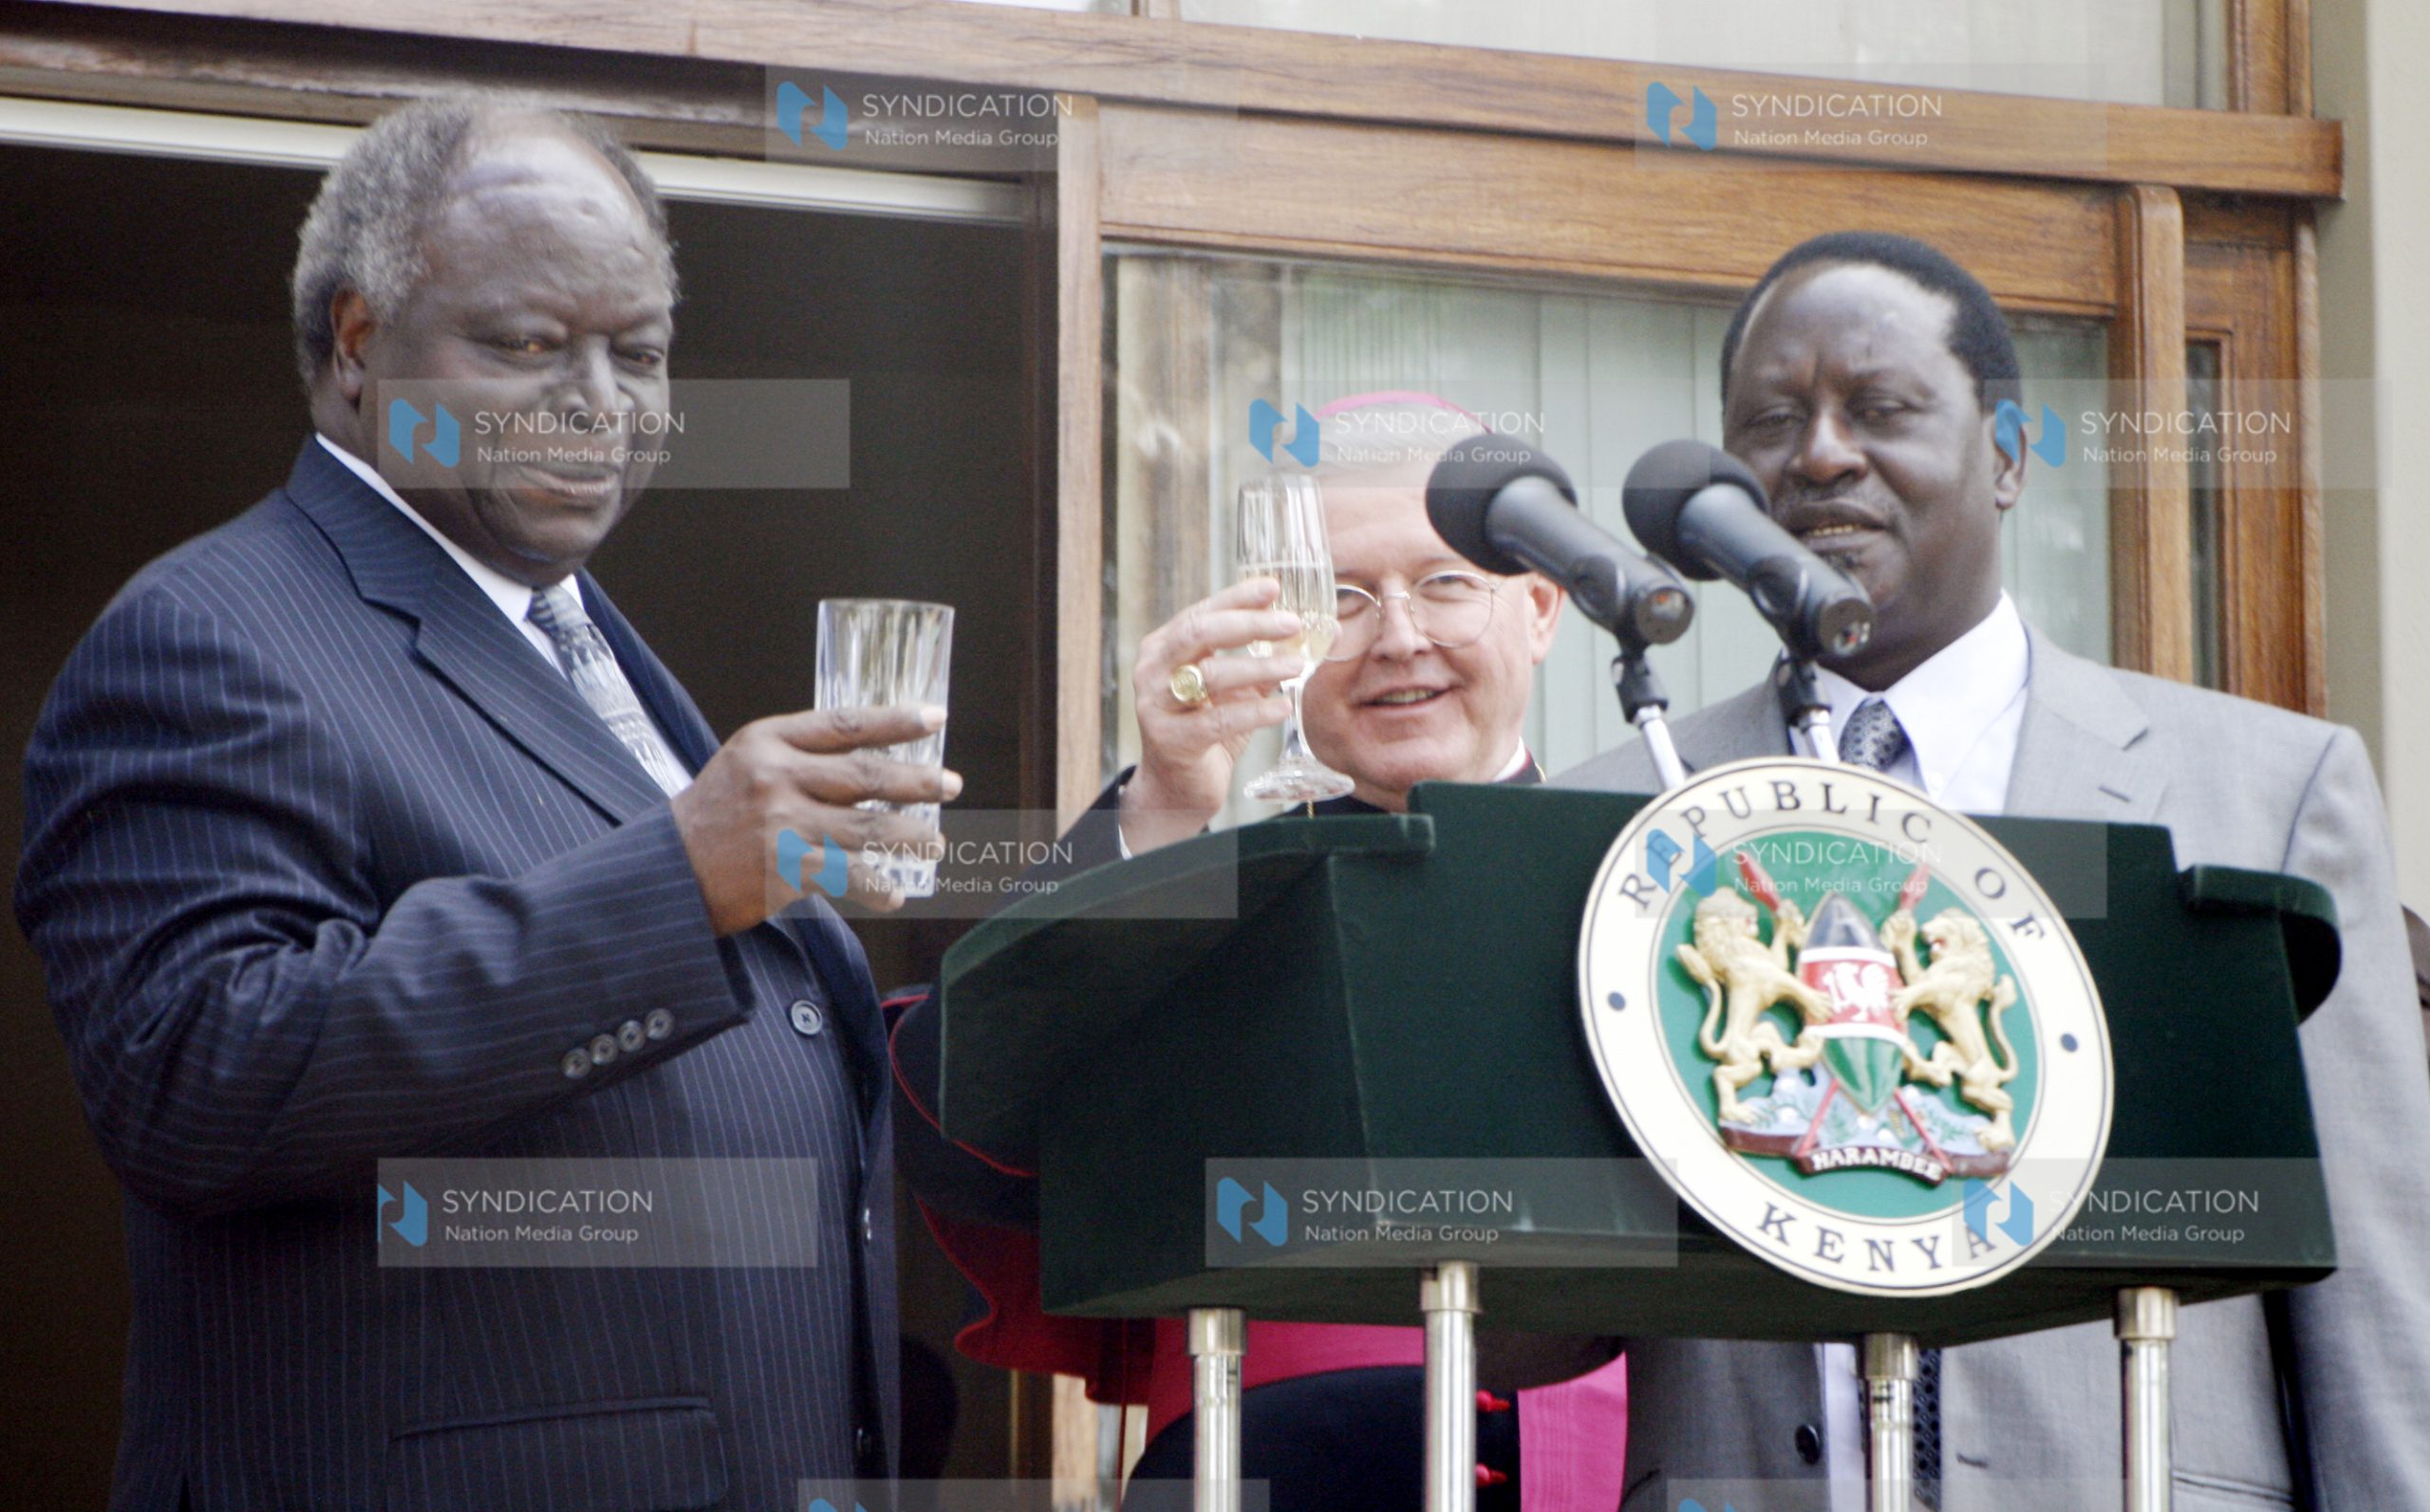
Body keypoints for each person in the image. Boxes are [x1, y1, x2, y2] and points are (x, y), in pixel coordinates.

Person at [12, 99, 957, 1511]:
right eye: (525, 345)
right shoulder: (212, 632)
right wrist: (683, 875)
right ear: (354, 345)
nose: (601, 401)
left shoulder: (574, 637)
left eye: (637, 354)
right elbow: (198, 1081)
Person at [1558, 231, 2430, 1510]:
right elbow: (1534, 1325)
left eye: (1883, 408)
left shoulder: (2263, 795)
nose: (1822, 455)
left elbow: (2377, 1300)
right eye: (1773, 421)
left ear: (2012, 456)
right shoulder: (1626, 812)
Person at [888, 396, 1633, 1511]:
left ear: (1538, 608)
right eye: (1338, 597)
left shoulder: (1645, 886)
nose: (1397, 638)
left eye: (1442, 584)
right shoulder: (1201, 901)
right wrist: (1164, 807)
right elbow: (955, 1127)